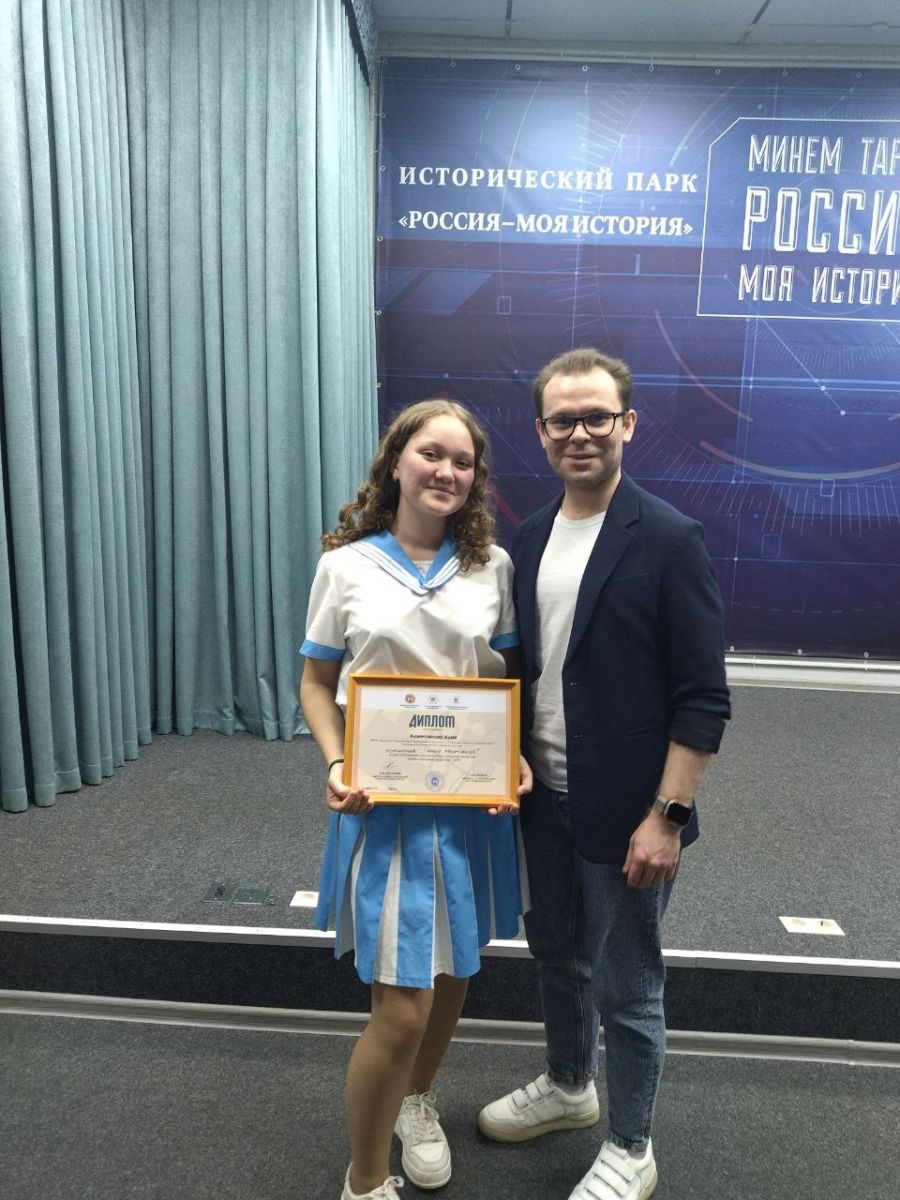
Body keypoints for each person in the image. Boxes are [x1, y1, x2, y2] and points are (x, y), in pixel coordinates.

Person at [477, 349, 731, 1200]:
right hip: (542, 801)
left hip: (631, 812)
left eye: (596, 417)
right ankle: (569, 1085)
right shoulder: (528, 538)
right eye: (563, 420)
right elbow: (524, 670)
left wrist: (668, 815)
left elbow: (703, 699)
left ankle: (631, 1145)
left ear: (627, 424)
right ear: (541, 431)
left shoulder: (668, 539)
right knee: (557, 956)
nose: (579, 433)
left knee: (627, 986)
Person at [300, 399, 530, 1200]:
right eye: (431, 453)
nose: (446, 471)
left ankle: (416, 1101)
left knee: (454, 965)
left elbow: (503, 682)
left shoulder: (492, 568)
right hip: (382, 809)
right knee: (401, 1008)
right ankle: (364, 1183)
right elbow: (317, 682)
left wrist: (511, 756)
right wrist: (336, 761)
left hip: (469, 808)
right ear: (395, 460)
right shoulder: (346, 567)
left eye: (463, 462)